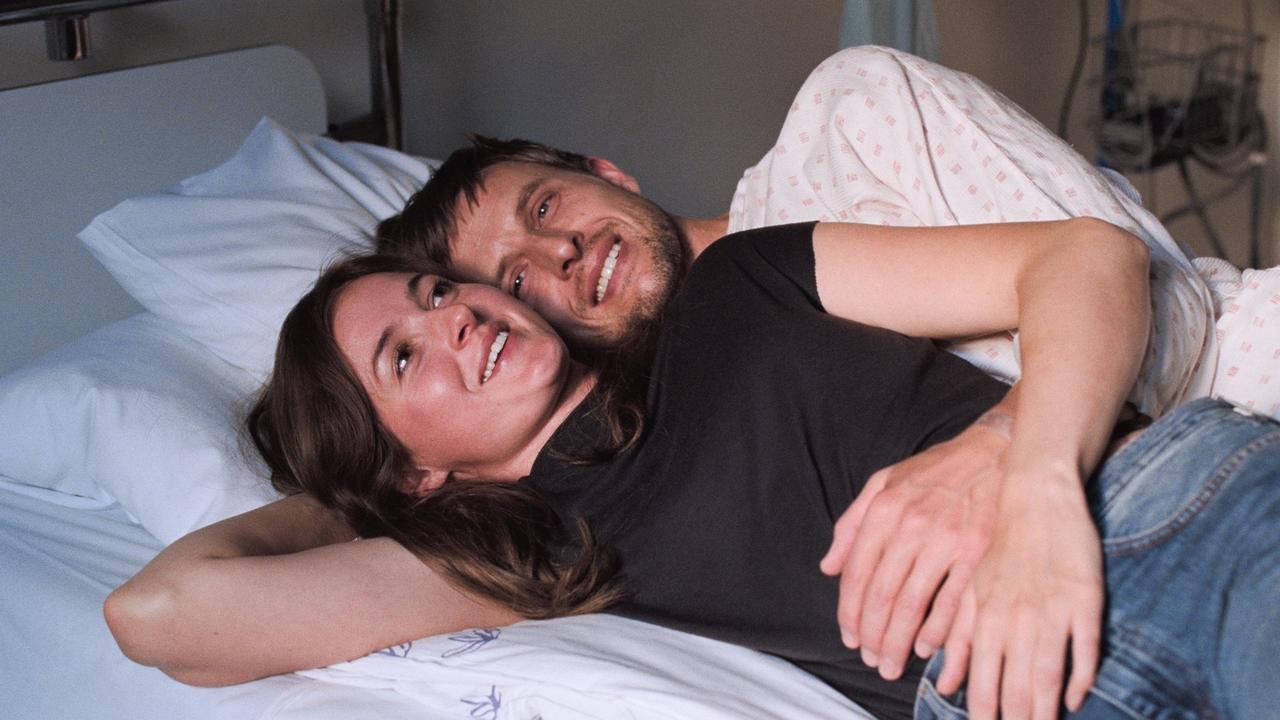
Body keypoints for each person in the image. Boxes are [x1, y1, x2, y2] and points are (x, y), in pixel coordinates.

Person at [107, 217, 1280, 719]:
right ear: (408, 471)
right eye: (403, 356)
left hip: (1154, 529)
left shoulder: (735, 289)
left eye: (434, 291)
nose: (453, 315)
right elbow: (160, 614)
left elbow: (1082, 254)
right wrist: (364, 490)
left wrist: (1017, 466)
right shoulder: (525, 552)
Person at [377, 46, 1279, 421]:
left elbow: (1167, 318)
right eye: (516, 279)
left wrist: (1011, 451)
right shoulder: (687, 431)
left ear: (605, 173)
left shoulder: (849, 115)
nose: (558, 253)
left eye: (544, 209)